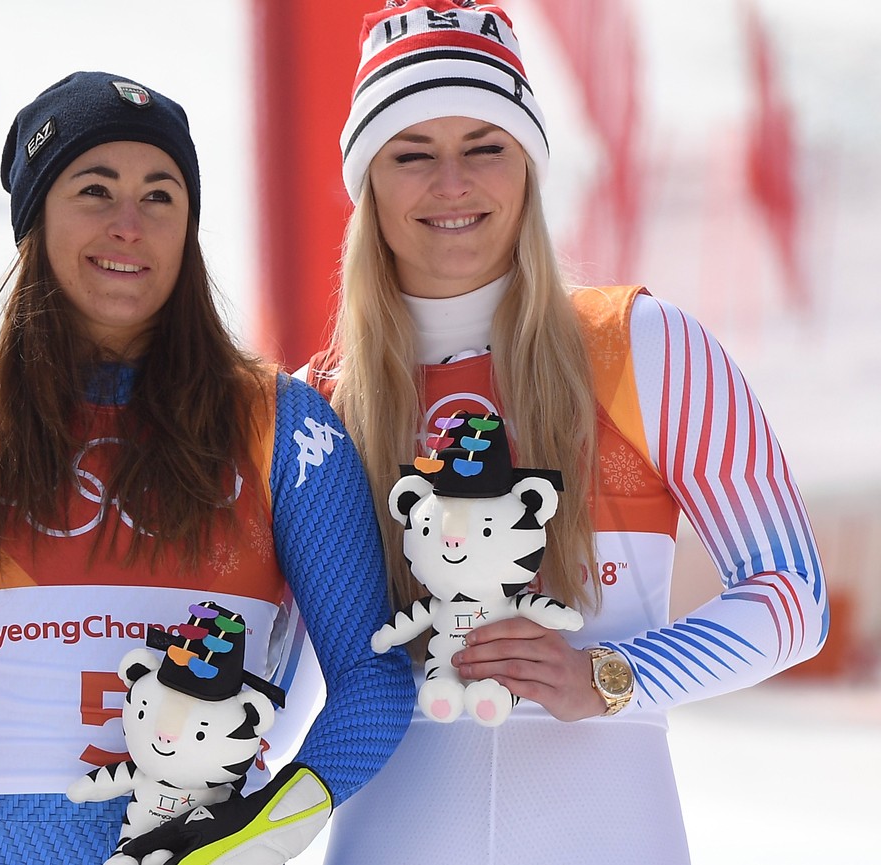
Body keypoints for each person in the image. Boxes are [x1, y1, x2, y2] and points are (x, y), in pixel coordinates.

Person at [304, 2, 828, 862]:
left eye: (485, 145)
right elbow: (271, 672)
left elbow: (792, 598)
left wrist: (610, 675)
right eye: (411, 154)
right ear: (368, 181)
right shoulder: (316, 410)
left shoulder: (645, 348)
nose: (452, 183)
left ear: (530, 167)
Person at [0, 70, 415, 865]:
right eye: (94, 190)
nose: (130, 224)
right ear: (34, 219)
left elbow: (374, 675)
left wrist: (267, 826)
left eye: (160, 196)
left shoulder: (279, 426)